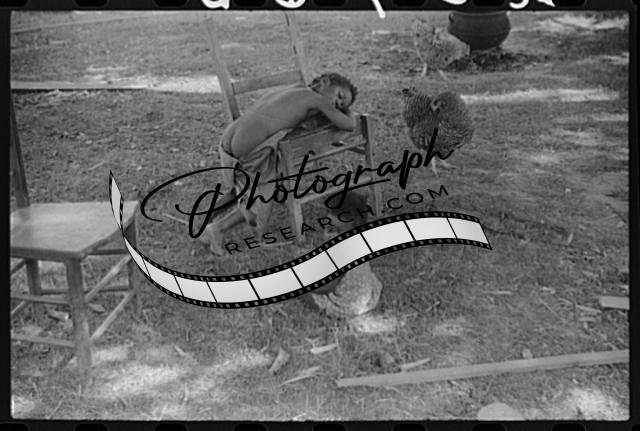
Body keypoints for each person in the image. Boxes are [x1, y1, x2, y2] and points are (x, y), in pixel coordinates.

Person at [199, 73, 359, 255]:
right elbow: (349, 125)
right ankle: (217, 229)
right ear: (325, 82)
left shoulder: (296, 89)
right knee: (260, 201)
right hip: (248, 146)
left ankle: (205, 217)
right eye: (340, 96)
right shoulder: (317, 99)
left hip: (230, 137)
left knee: (243, 186)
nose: (337, 104)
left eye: (341, 105)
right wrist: (348, 111)